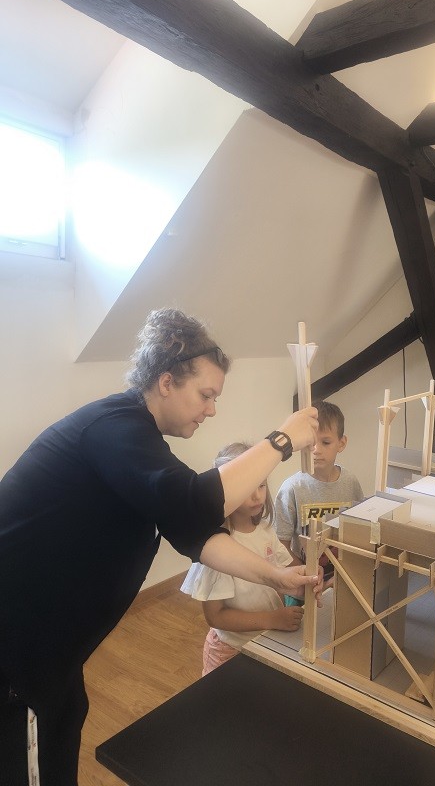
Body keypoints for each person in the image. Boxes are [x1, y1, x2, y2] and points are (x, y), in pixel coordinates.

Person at [0, 308, 320, 786]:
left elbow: (194, 532)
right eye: (206, 395)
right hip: (18, 648)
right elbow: (194, 502)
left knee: (63, 726)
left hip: (55, 650)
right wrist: (282, 440)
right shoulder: (112, 428)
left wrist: (278, 576)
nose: (211, 409)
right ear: (166, 381)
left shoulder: (138, 441)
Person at [181, 442, 304, 676]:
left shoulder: (266, 530)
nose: (257, 495)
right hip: (230, 650)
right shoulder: (217, 549)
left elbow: (289, 567)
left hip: (265, 639)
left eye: (261, 485)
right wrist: (273, 619)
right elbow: (215, 616)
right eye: (247, 487)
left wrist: (313, 580)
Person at [274, 400, 364, 585]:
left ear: (341, 443)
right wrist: (309, 576)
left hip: (342, 579)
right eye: (311, 442)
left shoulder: (351, 483)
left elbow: (359, 533)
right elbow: (280, 546)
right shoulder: (291, 489)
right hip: (303, 583)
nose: (316, 450)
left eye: (326, 442)